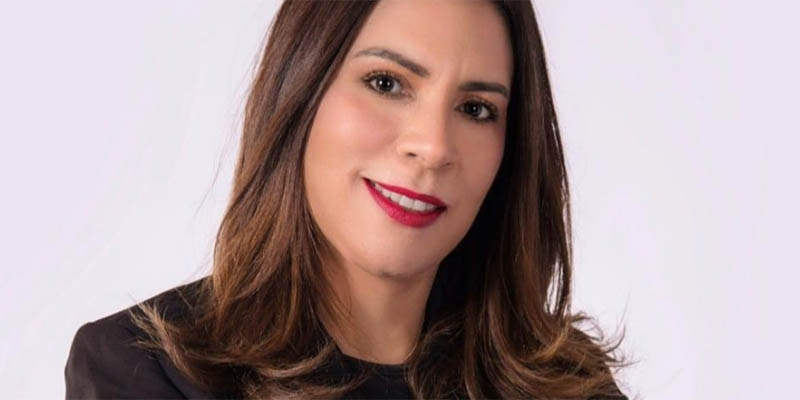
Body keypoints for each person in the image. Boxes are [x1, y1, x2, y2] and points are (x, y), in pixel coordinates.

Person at [65, 0, 630, 398]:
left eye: (476, 109)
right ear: (300, 90)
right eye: (387, 83)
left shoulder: (567, 384)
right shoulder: (145, 370)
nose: (434, 147)